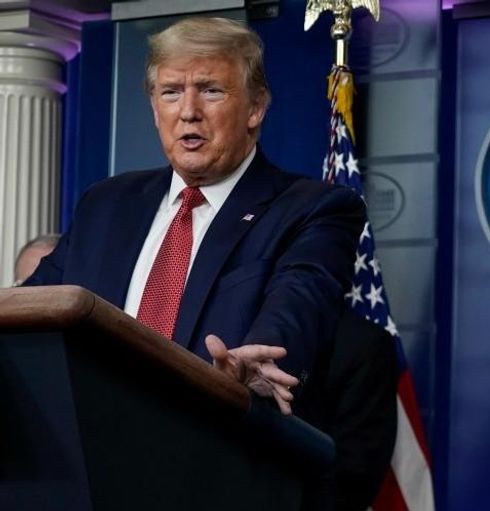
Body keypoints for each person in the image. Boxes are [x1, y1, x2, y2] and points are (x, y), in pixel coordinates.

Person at [23, 17, 365, 417]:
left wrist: (256, 361)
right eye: (170, 92)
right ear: (154, 109)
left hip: (215, 450)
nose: (188, 112)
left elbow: (298, 303)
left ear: (256, 107)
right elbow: (31, 306)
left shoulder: (312, 209)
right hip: (87, 451)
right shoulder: (106, 204)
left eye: (210, 90)